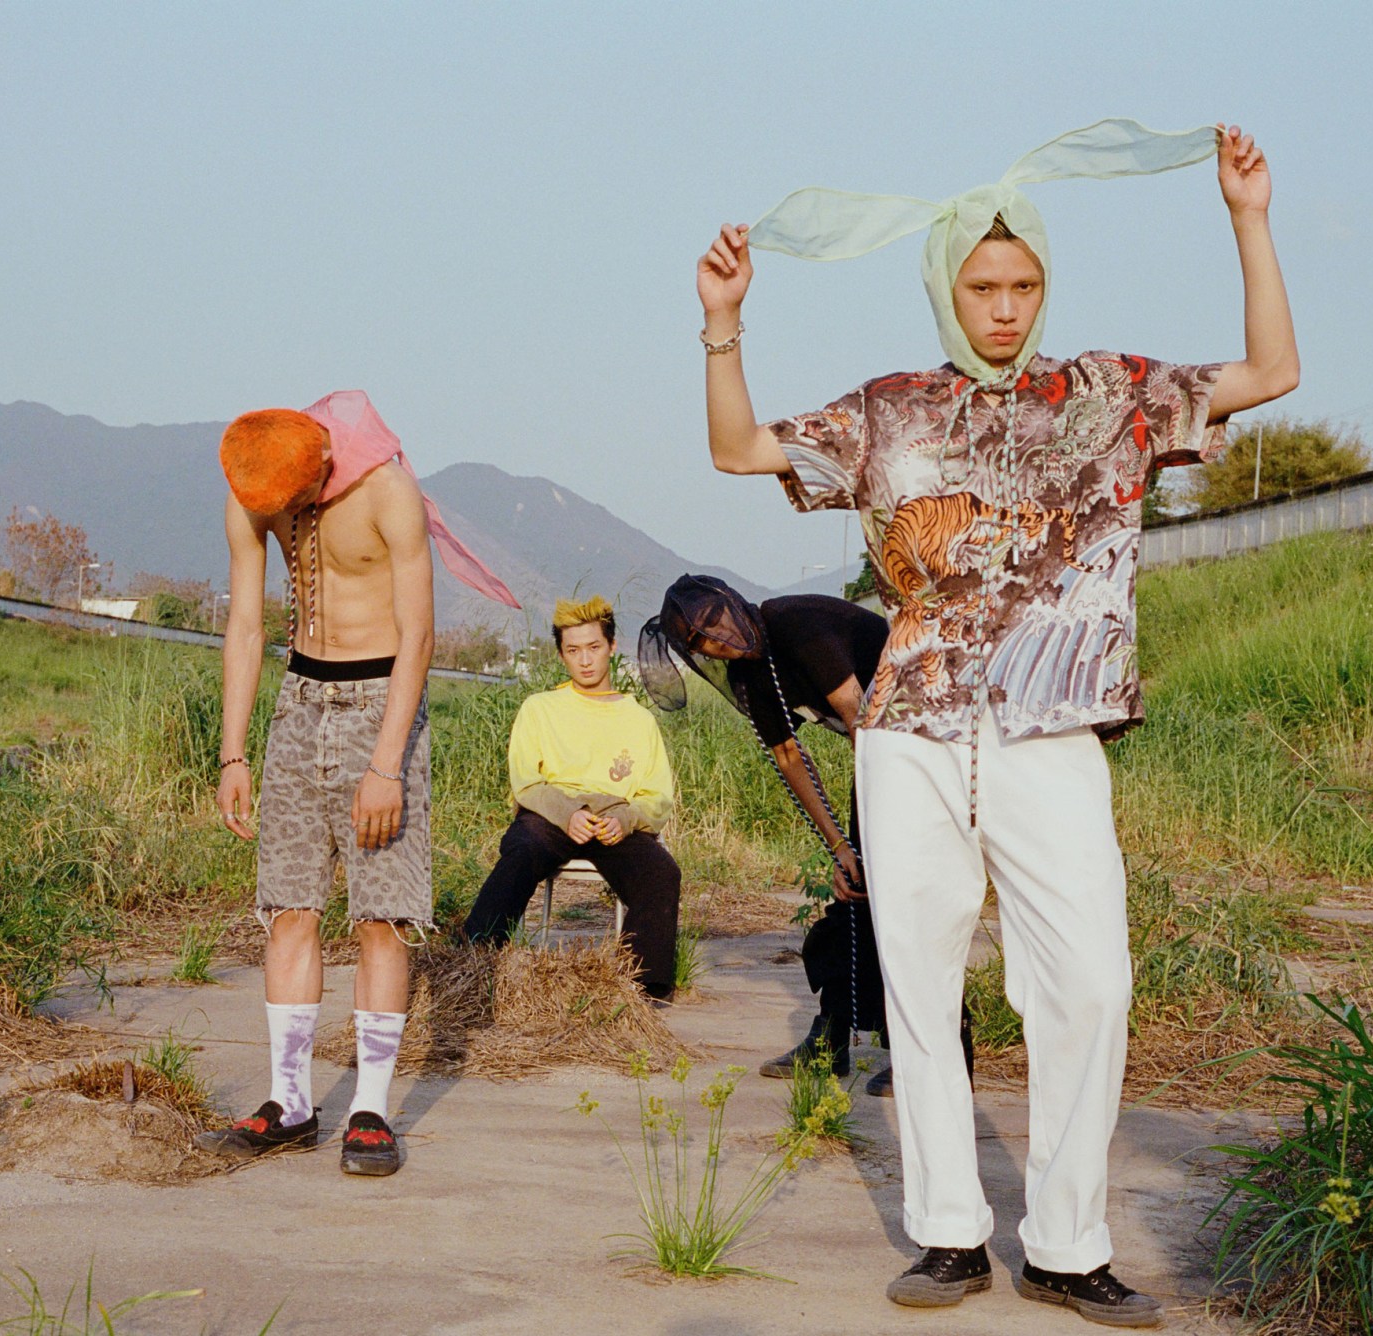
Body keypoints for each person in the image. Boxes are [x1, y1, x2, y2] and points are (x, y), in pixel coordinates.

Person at [695, 120, 1298, 1325]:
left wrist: (1246, 219)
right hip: (911, 734)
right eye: (982, 287)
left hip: (1050, 728)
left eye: (1022, 285)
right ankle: (948, 1238)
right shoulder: (888, 410)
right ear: (944, 290)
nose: (1005, 307)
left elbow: (1268, 372)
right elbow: (735, 449)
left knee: (1091, 982)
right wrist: (724, 321)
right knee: (918, 984)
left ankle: (1068, 1243)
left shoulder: (1110, 393)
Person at [203, 392, 515, 1177]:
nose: (283, 516)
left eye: (296, 501)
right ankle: (291, 1101)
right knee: (289, 909)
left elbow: (419, 635)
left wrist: (386, 764)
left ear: (323, 468)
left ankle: (371, 1107)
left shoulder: (387, 489)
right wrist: (232, 751)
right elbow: (246, 624)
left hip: (383, 704)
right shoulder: (255, 488)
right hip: (299, 703)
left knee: (382, 916)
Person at [641, 578, 940, 1093]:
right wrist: (842, 848)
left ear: (733, 603)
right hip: (881, 752)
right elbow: (788, 757)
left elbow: (862, 720)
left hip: (928, 741)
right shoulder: (751, 677)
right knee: (856, 896)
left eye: (717, 621)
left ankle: (938, 1055)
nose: (720, 640)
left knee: (908, 903)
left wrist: (877, 833)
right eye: (702, 642)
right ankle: (830, 1042)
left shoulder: (798, 625)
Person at [459, 597, 682, 1000]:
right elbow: (526, 781)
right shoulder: (540, 708)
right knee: (522, 849)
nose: (585, 660)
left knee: (661, 872)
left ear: (611, 647)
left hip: (615, 818)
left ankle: (639, 989)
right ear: (561, 654)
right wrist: (568, 814)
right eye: (573, 650)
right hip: (551, 815)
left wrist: (626, 819)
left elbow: (657, 796)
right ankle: (475, 959)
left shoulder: (639, 719)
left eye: (594, 648)